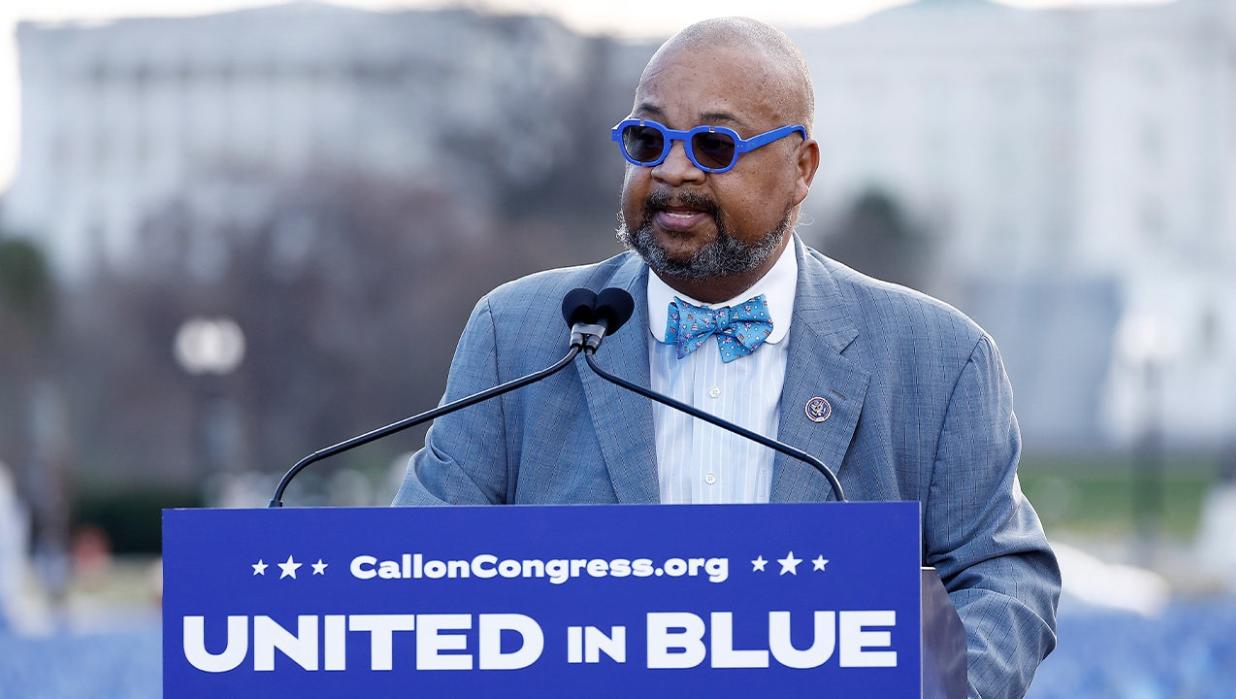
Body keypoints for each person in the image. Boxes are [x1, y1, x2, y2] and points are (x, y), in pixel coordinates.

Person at [394, 17, 1059, 697]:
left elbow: (1003, 575)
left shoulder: (940, 358)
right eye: (648, 139)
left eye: (714, 145)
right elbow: (419, 567)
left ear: (802, 169)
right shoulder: (519, 333)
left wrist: (938, 688)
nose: (672, 169)